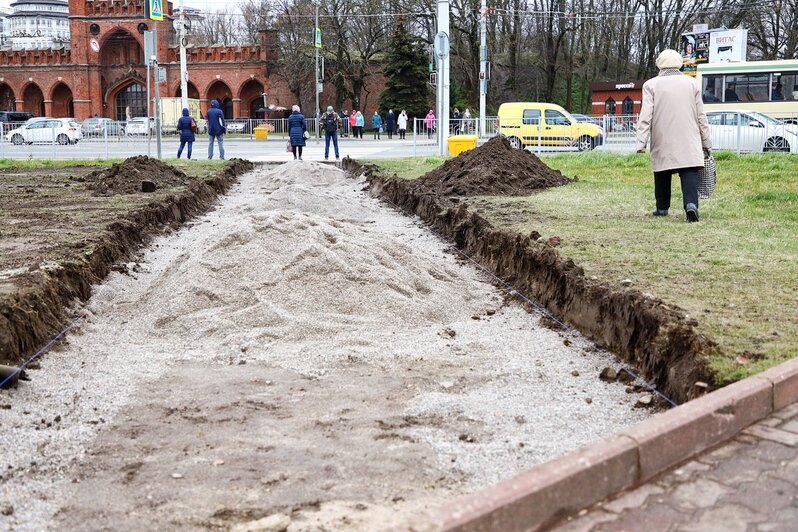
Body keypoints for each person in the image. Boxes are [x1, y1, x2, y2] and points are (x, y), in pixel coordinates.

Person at [635, 48, 712, 223]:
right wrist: (706, 141)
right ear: (679, 63)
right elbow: (701, 116)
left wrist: (641, 142)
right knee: (689, 169)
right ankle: (691, 205)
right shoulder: (692, 83)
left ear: (659, 64)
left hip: (663, 135)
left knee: (662, 170)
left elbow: (645, 115)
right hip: (689, 135)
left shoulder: (651, 85)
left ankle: (662, 208)